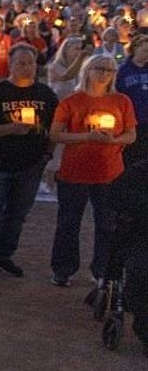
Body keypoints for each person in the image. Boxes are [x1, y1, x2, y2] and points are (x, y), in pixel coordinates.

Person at [0, 44, 59, 283]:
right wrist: (10, 128)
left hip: (31, 165)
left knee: (17, 214)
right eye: (21, 63)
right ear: (10, 64)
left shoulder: (45, 94)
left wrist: (48, 153)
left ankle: (4, 254)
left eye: (30, 63)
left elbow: (56, 128)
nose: (26, 68)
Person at [48, 54, 136, 286]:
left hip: (109, 173)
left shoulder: (122, 101)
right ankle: (63, 269)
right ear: (88, 70)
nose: (105, 74)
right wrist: (87, 136)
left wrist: (113, 140)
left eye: (110, 70)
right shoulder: (71, 101)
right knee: (69, 222)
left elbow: (131, 134)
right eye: (101, 69)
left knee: (107, 224)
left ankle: (102, 271)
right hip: (74, 172)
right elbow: (55, 134)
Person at [115, 34, 148, 162]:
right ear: (135, 49)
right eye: (145, 51)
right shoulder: (122, 70)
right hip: (130, 122)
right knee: (131, 157)